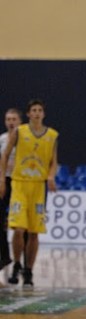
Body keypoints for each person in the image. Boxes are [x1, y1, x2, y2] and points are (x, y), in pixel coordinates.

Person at [0, 99, 59, 287]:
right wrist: (2, 179)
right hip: (19, 183)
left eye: (40, 110)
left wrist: (51, 176)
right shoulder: (20, 132)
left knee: (34, 232)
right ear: (28, 114)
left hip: (38, 186)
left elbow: (54, 162)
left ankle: (29, 270)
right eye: (34, 110)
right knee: (18, 229)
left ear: (43, 114)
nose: (37, 113)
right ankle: (17, 263)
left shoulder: (52, 135)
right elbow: (5, 154)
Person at [0, 108, 22, 270]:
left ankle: (20, 261)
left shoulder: (25, 139)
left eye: (14, 119)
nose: (11, 122)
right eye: (8, 119)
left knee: (21, 224)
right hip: (4, 181)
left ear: (20, 121)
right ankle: (4, 256)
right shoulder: (2, 139)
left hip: (20, 182)